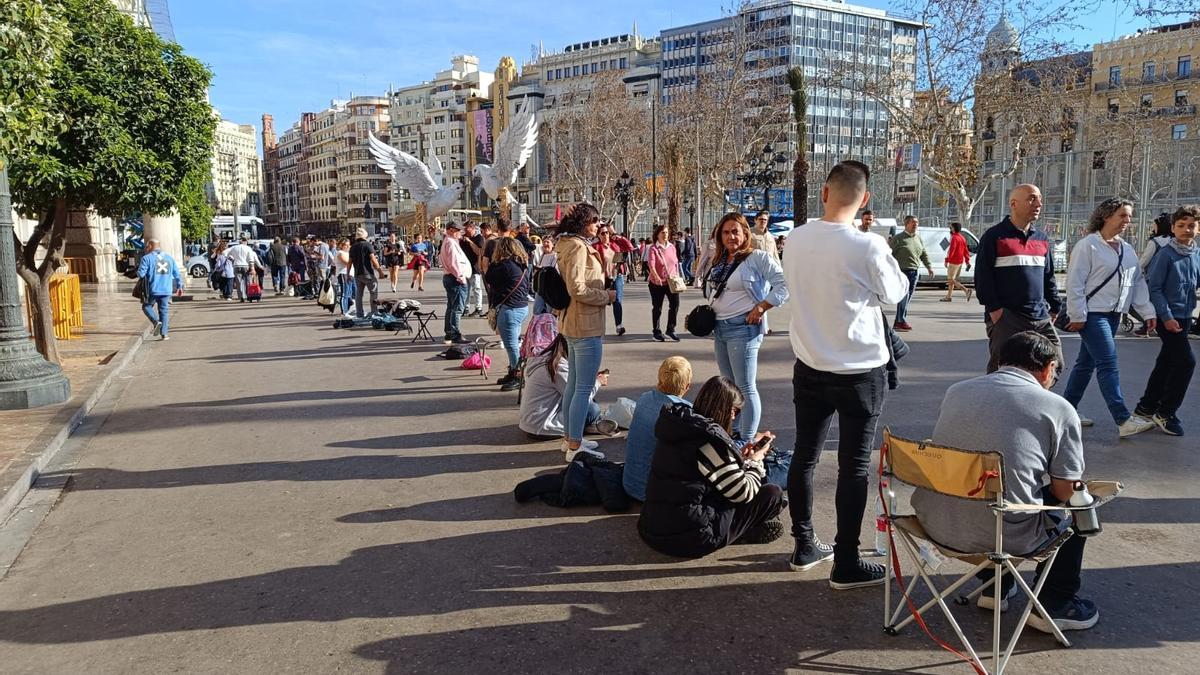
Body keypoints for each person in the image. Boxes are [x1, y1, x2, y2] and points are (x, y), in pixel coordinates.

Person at [911, 331, 1097, 634]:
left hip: (935, 524)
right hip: (1001, 535)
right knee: (1080, 506)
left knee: (987, 488)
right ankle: (1055, 604)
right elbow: (1065, 490)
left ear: (1001, 361)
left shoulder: (956, 391)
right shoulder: (1057, 407)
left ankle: (995, 586)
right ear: (1049, 368)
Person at [782, 160, 908, 588]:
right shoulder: (867, 246)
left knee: (805, 454)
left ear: (824, 192)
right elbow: (894, 292)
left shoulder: (794, 240)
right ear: (865, 198)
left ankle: (803, 543)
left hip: (810, 364)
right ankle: (847, 560)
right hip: (858, 371)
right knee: (853, 466)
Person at [637, 376, 786, 558]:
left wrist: (741, 459)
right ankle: (741, 532)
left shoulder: (682, 426)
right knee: (772, 493)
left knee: (739, 485)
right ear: (727, 410)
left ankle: (740, 528)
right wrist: (756, 460)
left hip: (652, 527)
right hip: (689, 538)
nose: (734, 417)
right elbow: (742, 492)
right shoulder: (710, 443)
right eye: (735, 411)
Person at [1061, 198, 1157, 437]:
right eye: (1122, 215)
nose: (1127, 221)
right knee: (1108, 363)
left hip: (1114, 314)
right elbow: (1075, 283)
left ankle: (1066, 411)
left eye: (1129, 216)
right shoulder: (1088, 245)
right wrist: (1078, 314)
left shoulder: (1126, 249)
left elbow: (1136, 284)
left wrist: (1147, 313)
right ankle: (1122, 419)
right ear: (1106, 216)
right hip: (1093, 315)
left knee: (1086, 364)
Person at [705, 212, 789, 442]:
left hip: (743, 328)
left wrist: (762, 306)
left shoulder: (757, 258)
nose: (731, 236)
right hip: (720, 328)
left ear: (745, 233)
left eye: (735, 231)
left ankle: (748, 439)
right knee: (729, 386)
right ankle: (734, 432)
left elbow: (784, 285)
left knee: (745, 386)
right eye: (725, 232)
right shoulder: (721, 260)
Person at [975, 183, 1064, 376]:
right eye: (1032, 198)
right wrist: (996, 311)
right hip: (1008, 317)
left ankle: (1033, 401)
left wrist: (1055, 306)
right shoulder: (994, 236)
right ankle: (996, 404)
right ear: (1013, 204)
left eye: (1040, 198)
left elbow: (1048, 276)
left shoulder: (1041, 238)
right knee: (1003, 370)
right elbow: (983, 278)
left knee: (1054, 365)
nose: (1038, 203)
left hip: (1039, 316)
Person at [554, 202, 617, 460]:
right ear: (582, 223)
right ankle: (574, 446)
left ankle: (570, 438)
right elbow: (577, 289)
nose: (598, 225)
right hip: (585, 324)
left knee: (574, 387)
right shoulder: (578, 248)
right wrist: (606, 296)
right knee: (582, 388)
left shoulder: (566, 243)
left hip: (571, 322)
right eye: (594, 221)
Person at [1135, 205, 1200, 436]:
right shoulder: (1165, 254)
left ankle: (1146, 407)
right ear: (1172, 228)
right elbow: (1155, 288)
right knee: (1186, 362)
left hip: (1184, 317)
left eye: (1191, 225)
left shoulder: (1196, 254)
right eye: (1181, 226)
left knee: (1167, 362)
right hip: (1168, 318)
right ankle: (1166, 413)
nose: (1186, 230)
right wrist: (1167, 317)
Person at [519, 334, 617, 440]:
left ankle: (590, 424)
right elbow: (579, 397)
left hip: (531, 424)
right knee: (592, 408)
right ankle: (588, 426)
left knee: (588, 402)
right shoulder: (559, 367)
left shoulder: (546, 358)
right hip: (543, 427)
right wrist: (598, 382)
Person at [623, 356, 693, 502]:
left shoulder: (644, 398)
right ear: (687, 386)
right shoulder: (683, 413)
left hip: (630, 483)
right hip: (655, 493)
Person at [485, 237, 532, 391]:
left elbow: (489, 277)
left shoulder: (504, 265)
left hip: (509, 309)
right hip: (521, 308)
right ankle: (513, 371)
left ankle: (518, 375)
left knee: (511, 345)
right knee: (513, 342)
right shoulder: (522, 264)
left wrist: (493, 262)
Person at [888, 215, 934, 331]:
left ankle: (899, 320)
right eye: (913, 223)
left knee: (907, 297)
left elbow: (923, 253)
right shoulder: (898, 238)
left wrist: (929, 267)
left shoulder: (918, 238)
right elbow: (888, 254)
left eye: (917, 223)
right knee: (904, 296)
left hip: (915, 271)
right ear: (906, 224)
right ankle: (900, 321)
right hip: (902, 272)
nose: (916, 225)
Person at [136, 238, 183, 341]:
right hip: (166, 289)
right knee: (164, 311)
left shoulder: (146, 258)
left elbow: (141, 274)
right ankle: (164, 334)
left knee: (146, 306)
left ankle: (156, 322)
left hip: (153, 289)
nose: (146, 248)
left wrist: (138, 270)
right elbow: (177, 274)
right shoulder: (169, 258)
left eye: (147, 246)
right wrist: (180, 286)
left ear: (152, 246)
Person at [594, 223, 634, 336]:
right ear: (598, 235)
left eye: (607, 232)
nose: (606, 235)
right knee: (600, 302)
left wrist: (615, 234)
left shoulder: (614, 245)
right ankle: (598, 327)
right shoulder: (596, 247)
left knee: (617, 301)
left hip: (617, 276)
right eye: (603, 233)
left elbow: (629, 247)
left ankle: (619, 326)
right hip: (603, 278)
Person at [647, 224, 682, 342]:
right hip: (657, 283)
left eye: (666, 232)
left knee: (675, 304)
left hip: (671, 282)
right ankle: (656, 332)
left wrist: (677, 276)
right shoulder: (653, 248)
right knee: (657, 307)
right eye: (663, 232)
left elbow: (676, 263)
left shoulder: (672, 247)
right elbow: (651, 264)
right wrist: (656, 276)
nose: (665, 234)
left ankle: (670, 329)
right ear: (657, 235)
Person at [439, 222, 471, 345]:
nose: (460, 233)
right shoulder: (450, 243)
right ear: (451, 230)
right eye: (458, 230)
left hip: (451, 277)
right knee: (457, 308)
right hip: (455, 278)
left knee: (451, 306)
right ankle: (455, 334)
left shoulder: (449, 241)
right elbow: (453, 263)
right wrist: (460, 276)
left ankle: (449, 332)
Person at [349, 228, 382, 319]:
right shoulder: (368, 245)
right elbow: (373, 259)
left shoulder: (353, 247)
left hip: (357, 274)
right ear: (365, 236)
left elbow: (349, 262)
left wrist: (348, 273)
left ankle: (359, 313)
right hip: (368, 273)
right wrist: (380, 272)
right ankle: (374, 312)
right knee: (373, 293)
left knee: (359, 295)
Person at [942, 221, 973, 302]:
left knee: (951, 280)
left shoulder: (954, 238)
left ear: (954, 228)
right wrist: (967, 261)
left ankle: (966, 290)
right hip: (960, 262)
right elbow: (966, 251)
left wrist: (946, 260)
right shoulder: (962, 238)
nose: (950, 229)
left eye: (951, 227)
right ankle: (948, 297)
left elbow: (951, 251)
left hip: (953, 261)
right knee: (952, 280)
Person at [227, 234, 262, 303]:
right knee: (247, 281)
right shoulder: (248, 248)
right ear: (245, 241)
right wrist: (252, 268)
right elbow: (251, 259)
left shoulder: (234, 248)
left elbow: (228, 255)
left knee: (239, 282)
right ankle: (248, 295)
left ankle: (241, 297)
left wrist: (233, 260)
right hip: (245, 266)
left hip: (236, 266)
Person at [461, 221, 486, 318]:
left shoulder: (479, 238)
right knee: (465, 288)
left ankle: (478, 308)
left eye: (467, 229)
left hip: (475, 267)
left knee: (476, 288)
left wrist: (470, 242)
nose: (465, 231)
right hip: (465, 268)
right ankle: (465, 308)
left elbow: (479, 251)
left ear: (472, 228)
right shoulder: (463, 239)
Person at [532, 236, 556, 316]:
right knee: (537, 310)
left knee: (550, 312)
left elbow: (554, 272)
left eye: (547, 242)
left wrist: (542, 269)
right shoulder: (542, 255)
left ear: (553, 244)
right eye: (544, 242)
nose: (545, 244)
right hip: (541, 287)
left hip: (550, 288)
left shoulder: (555, 256)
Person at [334, 238, 355, 317]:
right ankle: (344, 312)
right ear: (341, 246)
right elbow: (347, 262)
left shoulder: (348, 253)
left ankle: (350, 309)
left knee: (351, 292)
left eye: (348, 245)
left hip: (350, 274)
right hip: (343, 274)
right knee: (345, 293)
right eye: (345, 245)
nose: (347, 246)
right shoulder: (340, 253)